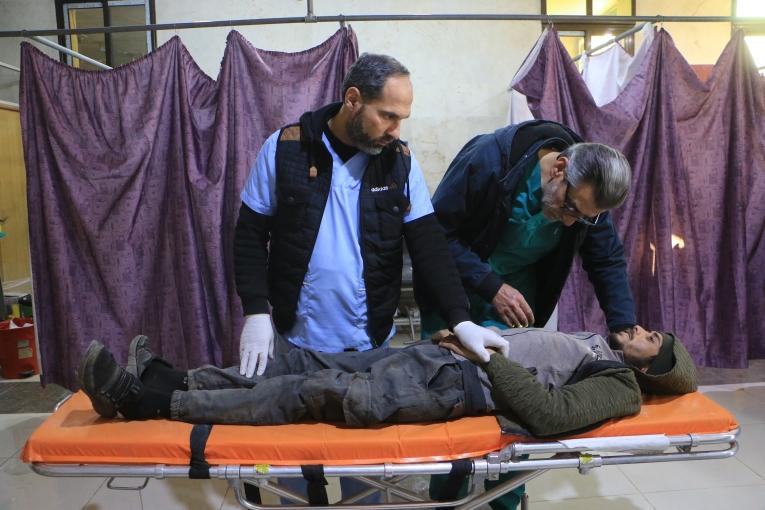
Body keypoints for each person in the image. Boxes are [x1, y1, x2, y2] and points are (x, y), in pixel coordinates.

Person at [234, 52, 507, 379]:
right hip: (297, 340)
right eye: (388, 116)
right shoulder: (286, 149)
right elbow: (250, 234)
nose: (396, 130)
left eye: (402, 118)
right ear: (353, 100)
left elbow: (429, 245)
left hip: (371, 345)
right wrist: (255, 311)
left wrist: (460, 319)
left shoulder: (399, 163)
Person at [79, 324, 696, 433]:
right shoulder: (594, 342)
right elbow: (531, 355)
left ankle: (143, 402)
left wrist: (484, 358)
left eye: (652, 339)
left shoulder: (619, 388)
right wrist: (464, 339)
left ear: (653, 366)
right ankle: (168, 375)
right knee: (298, 362)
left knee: (303, 393)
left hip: (448, 391)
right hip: (439, 362)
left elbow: (550, 414)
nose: (643, 330)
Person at [418, 121, 636, 336]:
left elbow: (606, 258)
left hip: (514, 297)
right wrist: (491, 286)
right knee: (448, 361)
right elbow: (435, 234)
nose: (570, 222)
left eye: (583, 218)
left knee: (508, 365)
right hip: (454, 284)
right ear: (559, 168)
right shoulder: (490, 159)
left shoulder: (588, 194)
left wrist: (624, 327)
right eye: (569, 207)